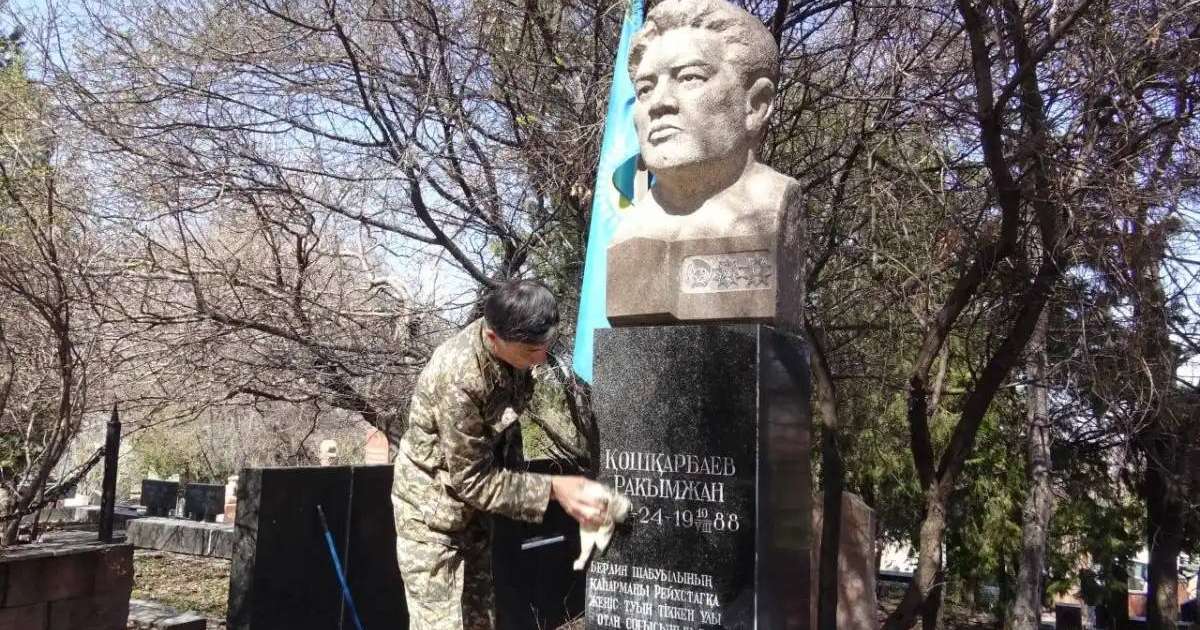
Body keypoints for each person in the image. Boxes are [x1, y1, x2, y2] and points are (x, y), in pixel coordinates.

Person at [391, 278, 609, 630]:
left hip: (474, 512)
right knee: (442, 624)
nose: (540, 358)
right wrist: (554, 489)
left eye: (545, 346)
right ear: (494, 338)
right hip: (431, 514)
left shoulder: (514, 350)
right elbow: (472, 480)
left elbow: (502, 430)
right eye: (530, 351)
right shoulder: (459, 378)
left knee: (479, 620)